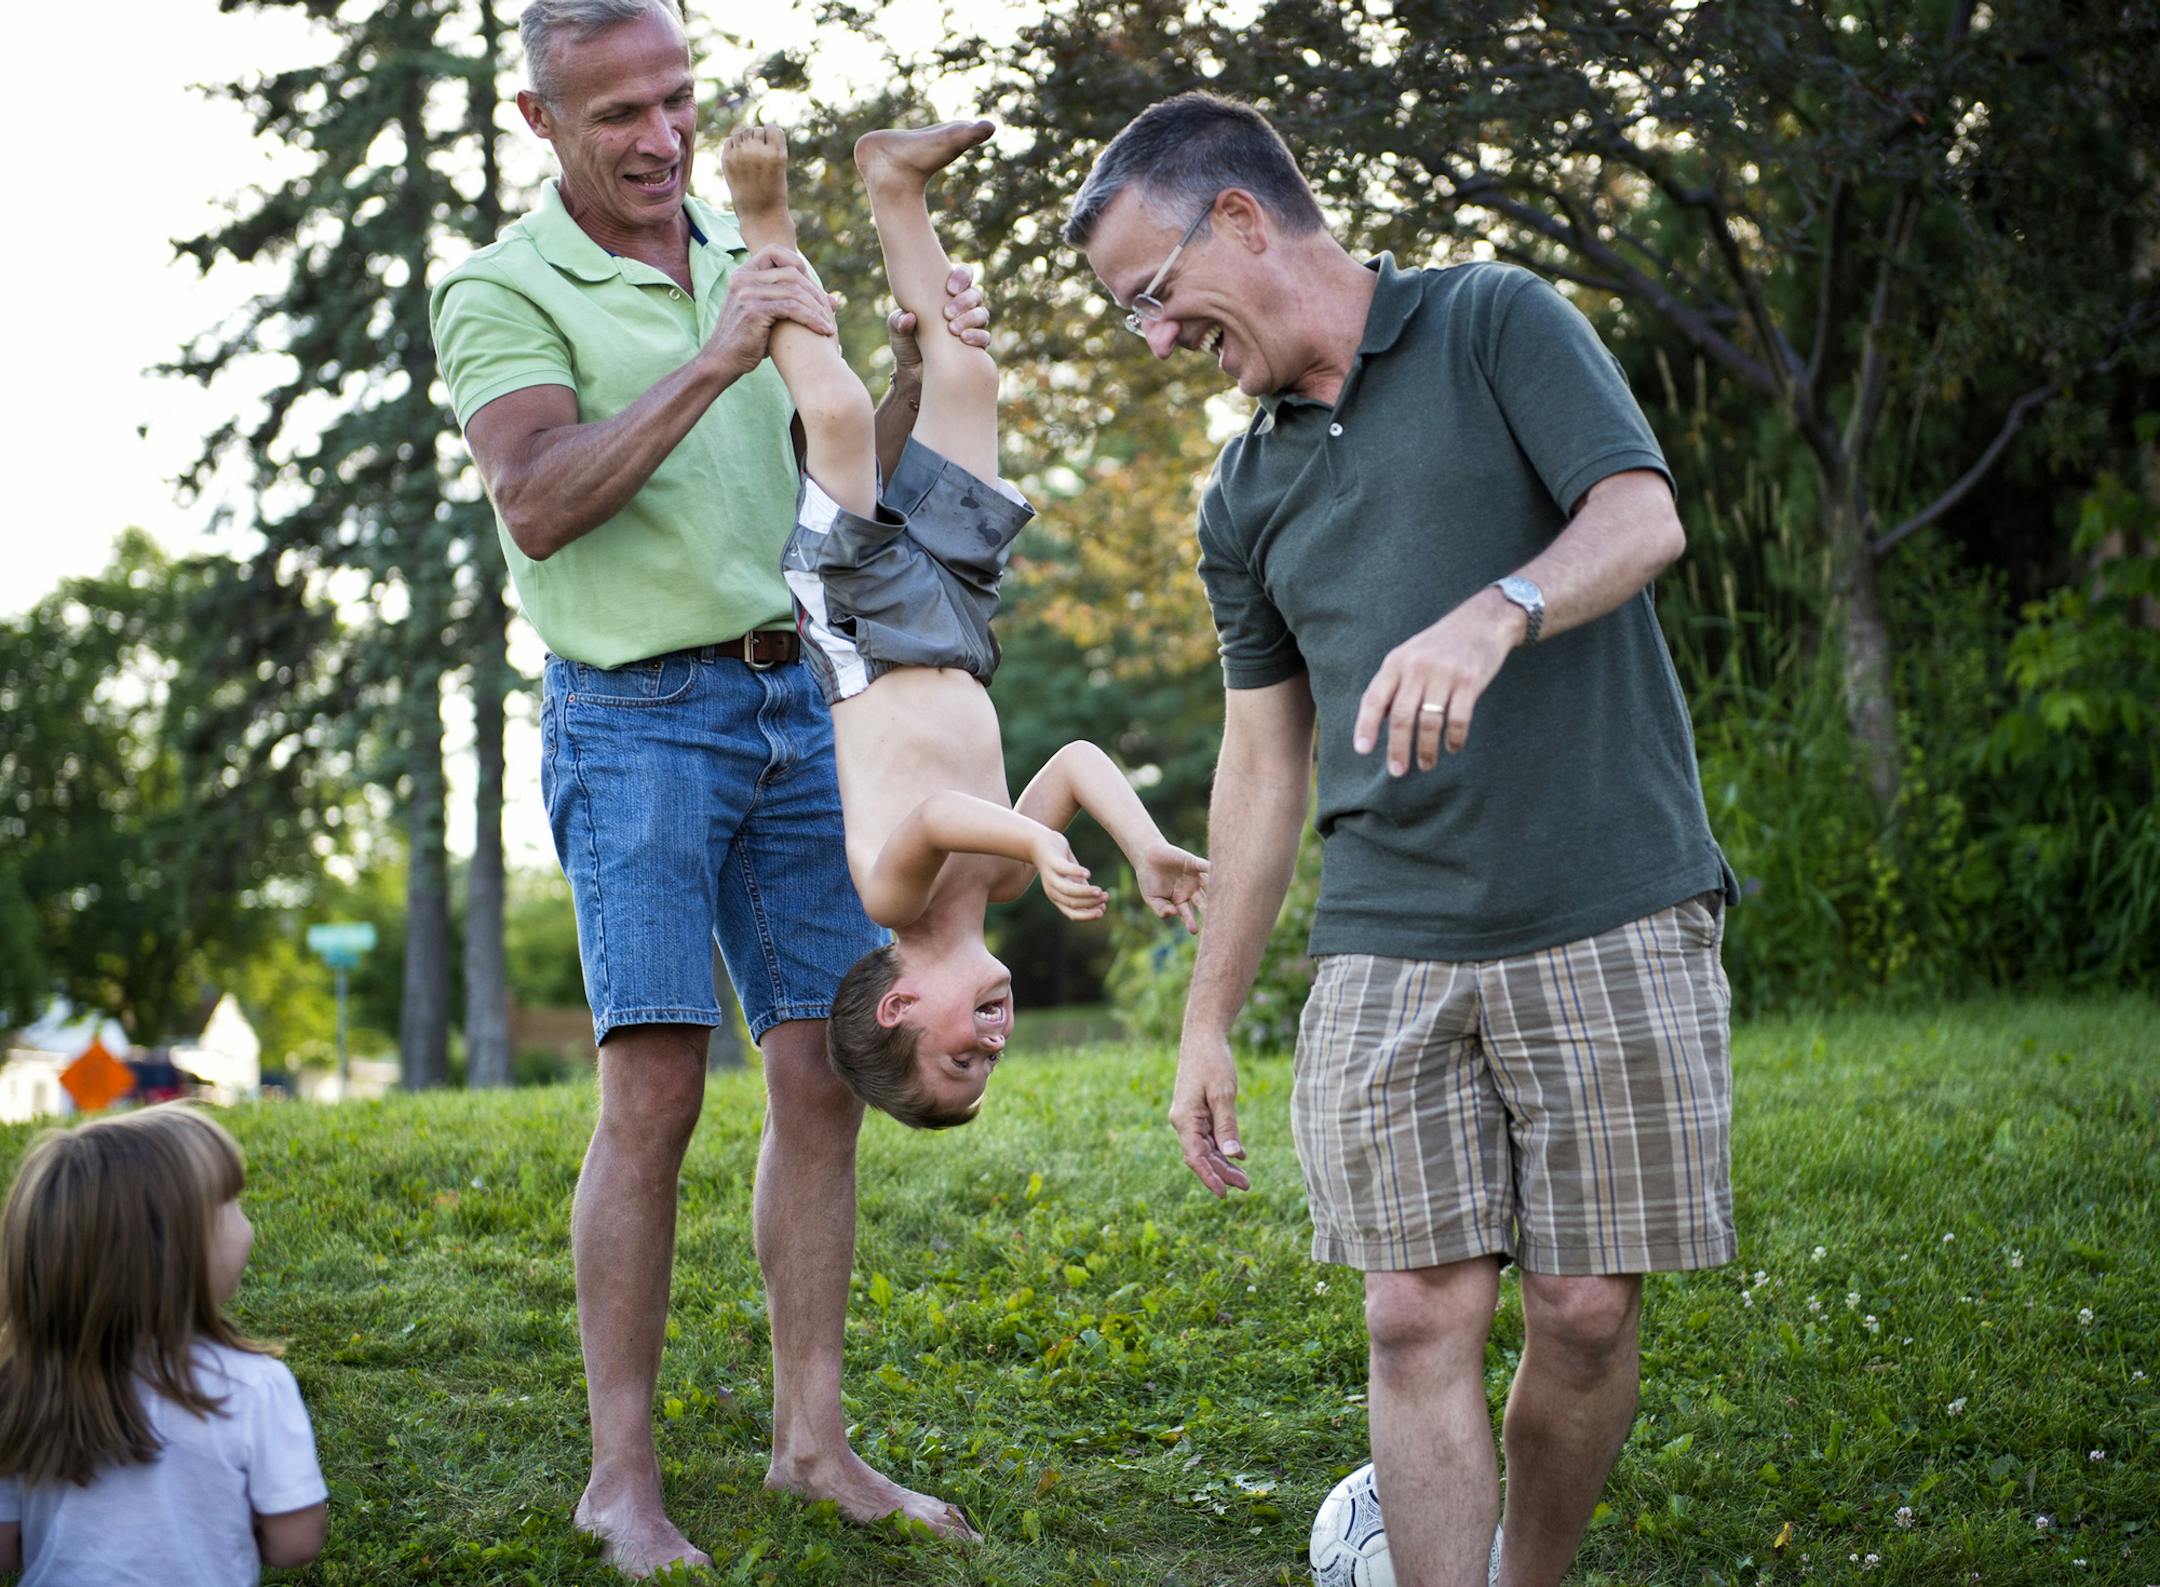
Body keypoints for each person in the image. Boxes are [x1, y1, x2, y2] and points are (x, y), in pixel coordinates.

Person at [1071, 93, 1737, 1587]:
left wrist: (1500, 608)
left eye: (1154, 293)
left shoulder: (1492, 320)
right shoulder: (1242, 493)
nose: (1157, 336)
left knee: (1581, 1308)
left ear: (1238, 218)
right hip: (1387, 933)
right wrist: (1205, 1020)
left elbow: (1640, 515)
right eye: (1132, 314)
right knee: (1414, 1309)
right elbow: (1261, 758)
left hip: (1608, 893)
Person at [426, 0, 993, 1569]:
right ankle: (622, 1474)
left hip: (798, 697)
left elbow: (839, 484)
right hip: (635, 717)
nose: (661, 136)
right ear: (542, 123)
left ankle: (813, 1442)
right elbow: (540, 499)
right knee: (655, 1087)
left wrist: (898, 360)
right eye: (616, 112)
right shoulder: (497, 286)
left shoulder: (753, 266)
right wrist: (715, 350)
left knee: (825, 1064)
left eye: (676, 99)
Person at [720, 120, 1209, 1128]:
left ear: (899, 1006)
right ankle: (895, 186)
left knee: (845, 416)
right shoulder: (1008, 883)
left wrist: (1035, 845)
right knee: (969, 377)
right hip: (956, 616)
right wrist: (1143, 842)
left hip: (857, 627)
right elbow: (1074, 760)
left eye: (958, 1062)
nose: (992, 1047)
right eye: (988, 1068)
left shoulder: (895, 900)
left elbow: (941, 817)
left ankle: (762, 216)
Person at [0, 1105, 328, 1586]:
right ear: (176, 1250)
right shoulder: (252, 1385)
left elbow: (6, 1545)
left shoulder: (17, 1384)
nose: (247, 1225)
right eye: (232, 1205)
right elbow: (296, 1542)